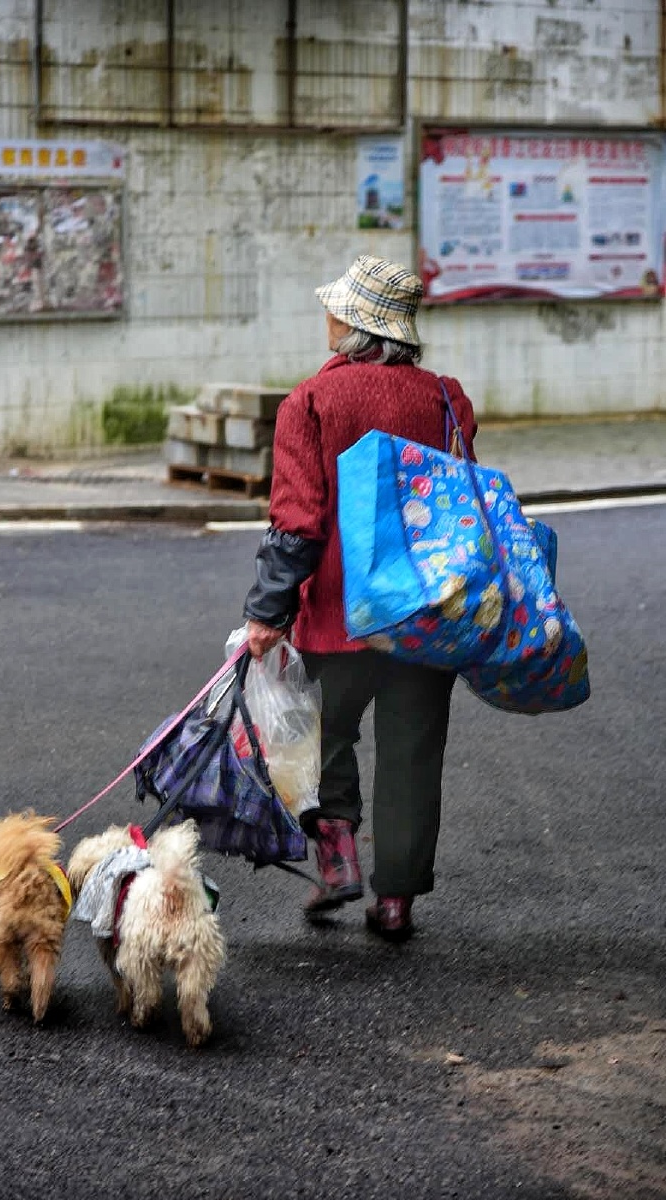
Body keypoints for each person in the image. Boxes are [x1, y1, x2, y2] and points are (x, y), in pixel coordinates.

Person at [242, 255, 477, 942]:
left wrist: (265, 612)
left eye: (335, 309)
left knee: (320, 736)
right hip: (426, 611)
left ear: (353, 326)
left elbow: (298, 519)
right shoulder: (444, 397)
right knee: (411, 750)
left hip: (337, 610)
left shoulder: (310, 401)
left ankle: (337, 862)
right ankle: (396, 901)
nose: (327, 316)